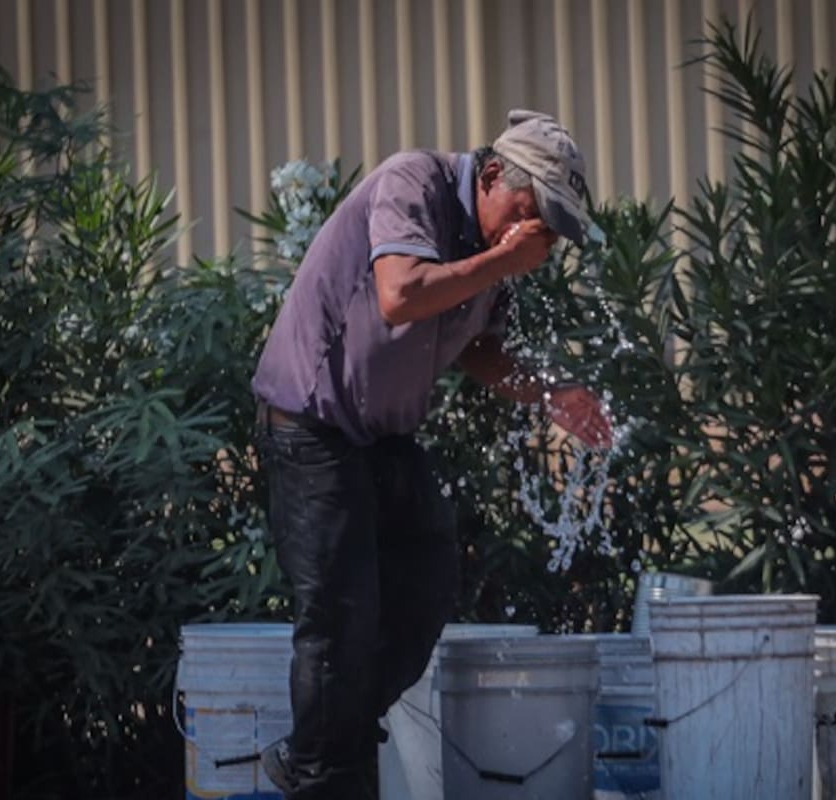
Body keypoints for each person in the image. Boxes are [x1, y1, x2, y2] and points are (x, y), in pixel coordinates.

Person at [251, 109, 612, 798]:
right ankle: (322, 771)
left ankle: (325, 749)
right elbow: (400, 295)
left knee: (428, 583)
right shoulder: (413, 181)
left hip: (382, 436)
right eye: (528, 209)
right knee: (338, 617)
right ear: (494, 174)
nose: (530, 233)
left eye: (547, 226)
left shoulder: (490, 250)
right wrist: (503, 259)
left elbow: (478, 347)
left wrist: (550, 394)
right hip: (311, 423)